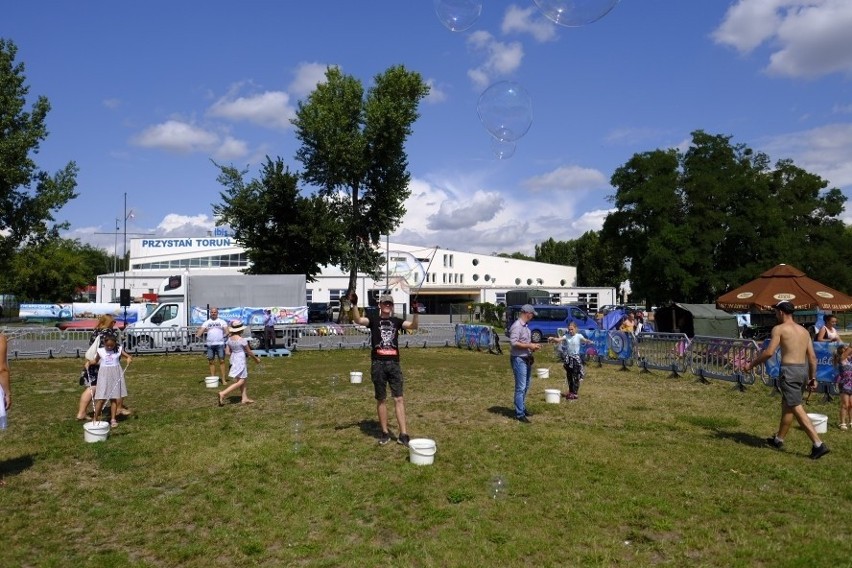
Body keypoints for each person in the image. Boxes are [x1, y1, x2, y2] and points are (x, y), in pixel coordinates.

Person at [745, 300, 829, 459]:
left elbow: (769, 352)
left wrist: (751, 365)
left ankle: (818, 444)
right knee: (788, 405)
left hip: (789, 371)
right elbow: (812, 357)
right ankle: (778, 439)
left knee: (795, 406)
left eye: (776, 312)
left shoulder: (779, 329)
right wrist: (813, 377)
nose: (775, 315)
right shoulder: (804, 331)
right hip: (803, 371)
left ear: (781, 312)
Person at [349, 293, 418, 446]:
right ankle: (385, 433)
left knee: (399, 398)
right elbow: (358, 320)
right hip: (378, 364)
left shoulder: (397, 321)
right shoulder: (373, 320)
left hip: (394, 364)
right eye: (385, 303)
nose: (387, 305)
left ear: (392, 306)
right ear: (380, 305)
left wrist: (416, 312)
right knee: (381, 399)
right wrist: (354, 305)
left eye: (390, 303)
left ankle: (403, 434)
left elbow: (414, 326)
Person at [76, 315, 130, 420]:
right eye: (113, 322)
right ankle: (117, 409)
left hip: (93, 363)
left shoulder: (95, 332)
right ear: (110, 323)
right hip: (104, 365)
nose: (114, 324)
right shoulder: (109, 334)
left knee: (92, 387)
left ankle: (81, 412)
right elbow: (115, 347)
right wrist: (125, 356)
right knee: (114, 387)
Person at [89, 334, 132, 427]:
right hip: (104, 375)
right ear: (104, 343)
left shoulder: (118, 350)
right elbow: (95, 361)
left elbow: (128, 356)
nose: (109, 347)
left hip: (115, 374)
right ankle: (95, 418)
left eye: (111, 345)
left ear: (114, 344)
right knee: (101, 399)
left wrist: (128, 359)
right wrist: (88, 363)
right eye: (107, 345)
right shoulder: (100, 351)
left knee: (114, 398)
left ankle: (113, 419)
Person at [509, 304, 542, 423]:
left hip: (526, 358)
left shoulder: (525, 326)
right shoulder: (517, 326)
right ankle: (519, 414)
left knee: (526, 385)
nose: (533, 316)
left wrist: (533, 347)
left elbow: (524, 342)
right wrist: (529, 345)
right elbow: (513, 342)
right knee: (521, 387)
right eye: (532, 314)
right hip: (519, 359)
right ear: (527, 313)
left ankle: (521, 408)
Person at [217, 320, 261, 406]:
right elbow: (249, 352)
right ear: (240, 330)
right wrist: (256, 359)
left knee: (241, 379)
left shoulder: (229, 339)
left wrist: (234, 353)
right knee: (241, 381)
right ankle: (223, 393)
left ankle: (244, 398)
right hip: (240, 360)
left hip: (233, 359)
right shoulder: (242, 340)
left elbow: (227, 352)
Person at [549, 322, 593, 400]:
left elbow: (585, 340)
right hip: (568, 359)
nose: (570, 331)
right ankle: (571, 391)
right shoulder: (566, 336)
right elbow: (559, 339)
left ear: (575, 329)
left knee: (575, 376)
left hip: (576, 359)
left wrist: (589, 342)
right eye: (569, 329)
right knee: (569, 376)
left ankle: (575, 393)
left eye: (572, 329)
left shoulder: (578, 336)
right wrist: (553, 338)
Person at [196, 307, 229, 386]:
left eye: (215, 312)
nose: (213, 313)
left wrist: (223, 337)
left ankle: (223, 379)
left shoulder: (222, 321)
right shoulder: (207, 322)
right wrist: (199, 334)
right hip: (210, 345)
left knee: (222, 361)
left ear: (217, 313)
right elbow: (200, 333)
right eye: (212, 312)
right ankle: (213, 379)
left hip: (220, 344)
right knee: (211, 361)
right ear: (210, 313)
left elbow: (227, 331)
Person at [834, 343, 852, 430]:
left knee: (851, 404)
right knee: (845, 404)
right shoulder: (841, 359)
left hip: (851, 384)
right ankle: (842, 423)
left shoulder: (849, 359)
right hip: (844, 384)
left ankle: (851, 421)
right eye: (845, 348)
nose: (847, 349)